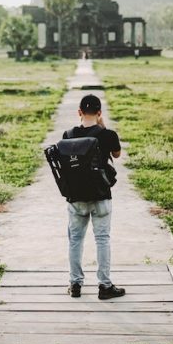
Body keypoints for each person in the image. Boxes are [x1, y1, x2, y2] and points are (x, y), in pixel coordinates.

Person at [64, 94, 126, 300]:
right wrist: (103, 126)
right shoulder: (108, 135)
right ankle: (105, 286)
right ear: (99, 113)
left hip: (76, 197)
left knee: (75, 241)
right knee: (102, 240)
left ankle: (75, 284)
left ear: (79, 112)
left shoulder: (68, 135)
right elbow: (116, 155)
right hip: (101, 196)